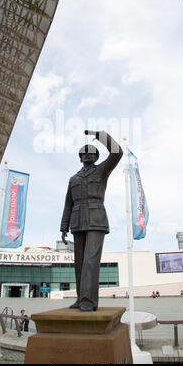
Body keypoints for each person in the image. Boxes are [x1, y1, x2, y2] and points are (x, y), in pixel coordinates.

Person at [60, 130, 123, 312]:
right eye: (84, 153)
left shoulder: (102, 171)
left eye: (91, 153)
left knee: (91, 261)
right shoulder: (73, 179)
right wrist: (64, 227)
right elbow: (67, 204)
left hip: (96, 220)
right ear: (80, 158)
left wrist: (100, 135)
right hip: (77, 221)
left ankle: (89, 301)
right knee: (79, 263)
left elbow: (117, 152)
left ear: (96, 156)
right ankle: (81, 299)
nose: (88, 155)